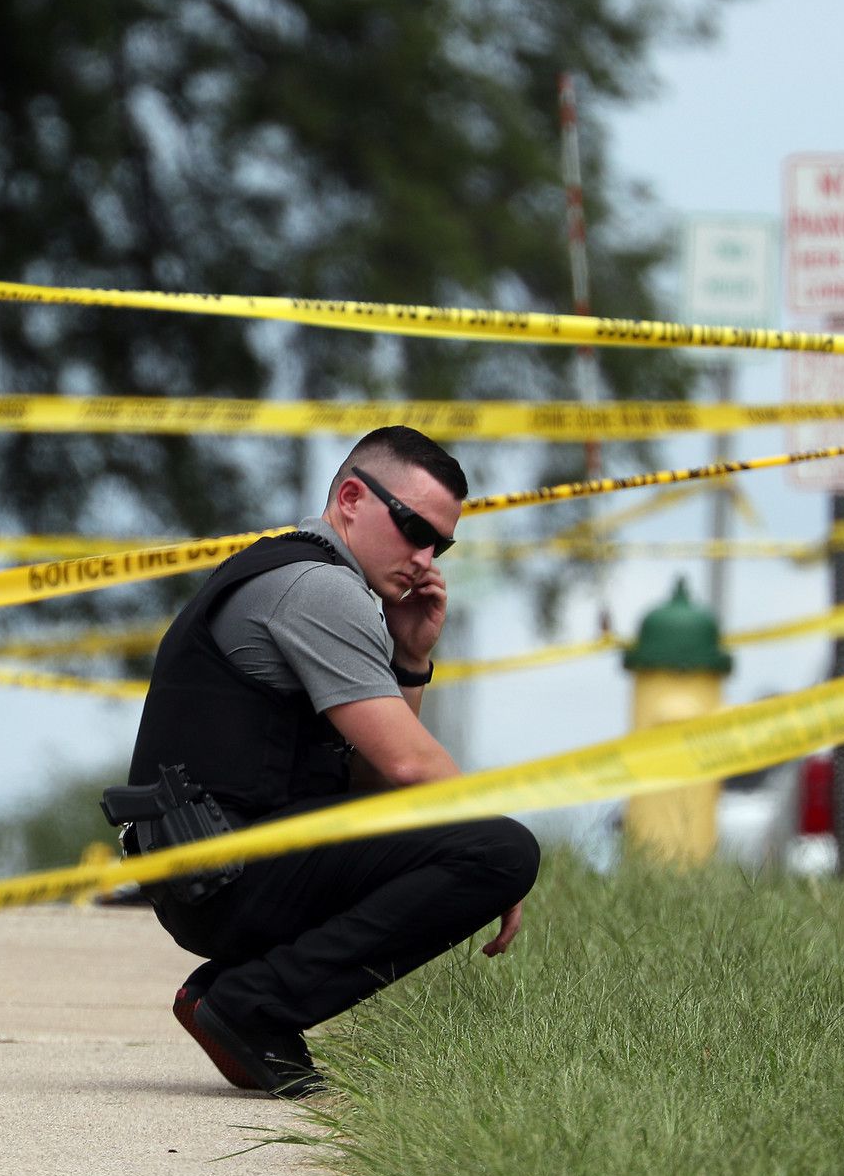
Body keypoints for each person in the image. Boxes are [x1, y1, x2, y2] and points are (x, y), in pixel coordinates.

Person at [117, 425, 540, 1097]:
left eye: (442, 543)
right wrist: (505, 865)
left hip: (216, 873)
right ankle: (251, 1006)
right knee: (500, 848)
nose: (426, 557)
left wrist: (410, 659)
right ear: (350, 497)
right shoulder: (320, 589)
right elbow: (411, 769)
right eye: (412, 528)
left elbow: (375, 785)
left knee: (477, 842)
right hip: (227, 875)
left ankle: (230, 992)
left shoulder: (296, 573)